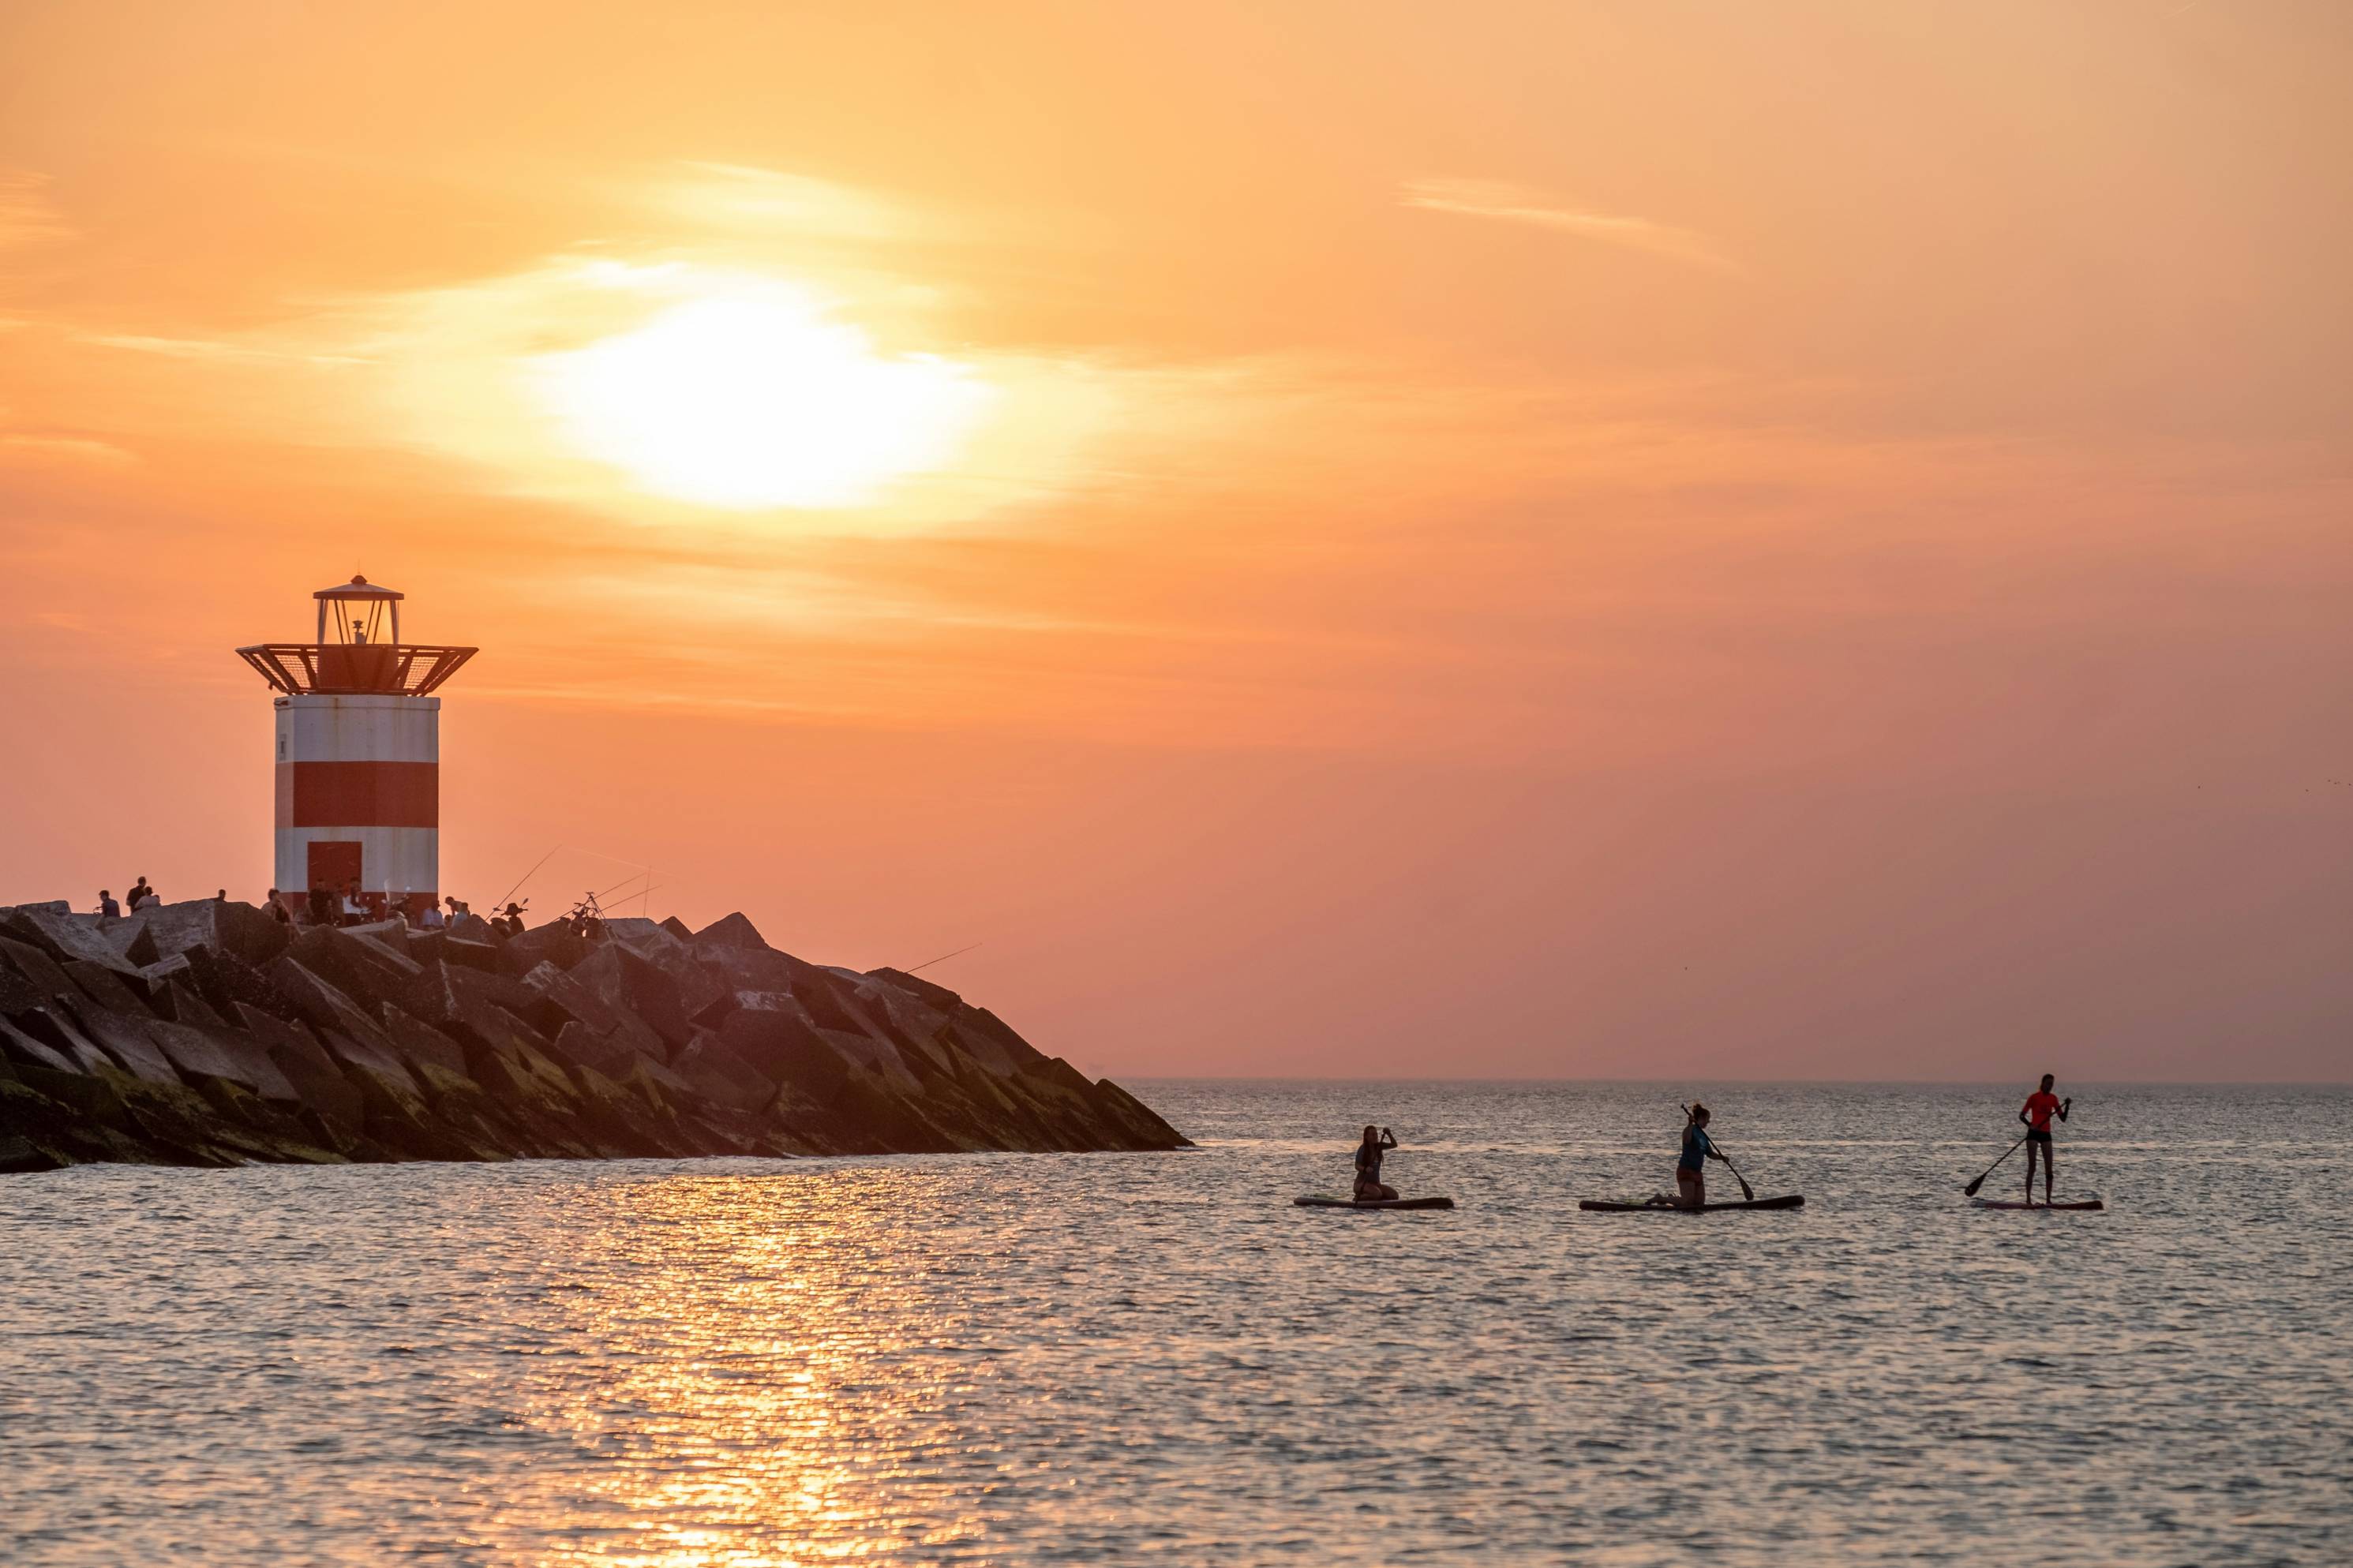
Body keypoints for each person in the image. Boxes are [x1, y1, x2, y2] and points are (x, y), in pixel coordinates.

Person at [2019, 1074, 2072, 1206]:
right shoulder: (2034, 1097)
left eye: (2052, 1084)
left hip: (2046, 1135)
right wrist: (2030, 1125)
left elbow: (2063, 1119)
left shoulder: (2053, 1099)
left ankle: (2048, 1200)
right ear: (2042, 1083)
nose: (2050, 1086)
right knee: (2032, 1167)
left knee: (2049, 1169)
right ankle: (2028, 1200)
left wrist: (2068, 1106)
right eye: (2048, 1083)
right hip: (2033, 1134)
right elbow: (2021, 1115)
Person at [1673, 1103, 1733, 1209]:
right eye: (1707, 1119)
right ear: (1701, 1118)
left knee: (1699, 1204)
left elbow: (1710, 1154)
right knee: (1688, 1203)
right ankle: (1660, 1198)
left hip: (1697, 1173)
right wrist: (1690, 1124)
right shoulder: (1689, 1130)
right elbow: (1686, 1140)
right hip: (1686, 1171)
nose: (1708, 1122)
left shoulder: (1703, 1135)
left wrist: (1722, 1157)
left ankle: (1675, 1199)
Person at [1353, 1125, 1399, 1201]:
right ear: (1366, 1137)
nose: (1375, 1136)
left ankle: (1375, 1199)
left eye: (1376, 1134)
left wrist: (1389, 1134)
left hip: (1375, 1184)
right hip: (1361, 1184)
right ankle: (1357, 1198)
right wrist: (1365, 1169)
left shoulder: (1379, 1146)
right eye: (1373, 1134)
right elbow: (1357, 1166)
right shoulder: (1363, 1149)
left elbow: (1394, 1145)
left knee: (1394, 1195)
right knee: (1377, 1194)